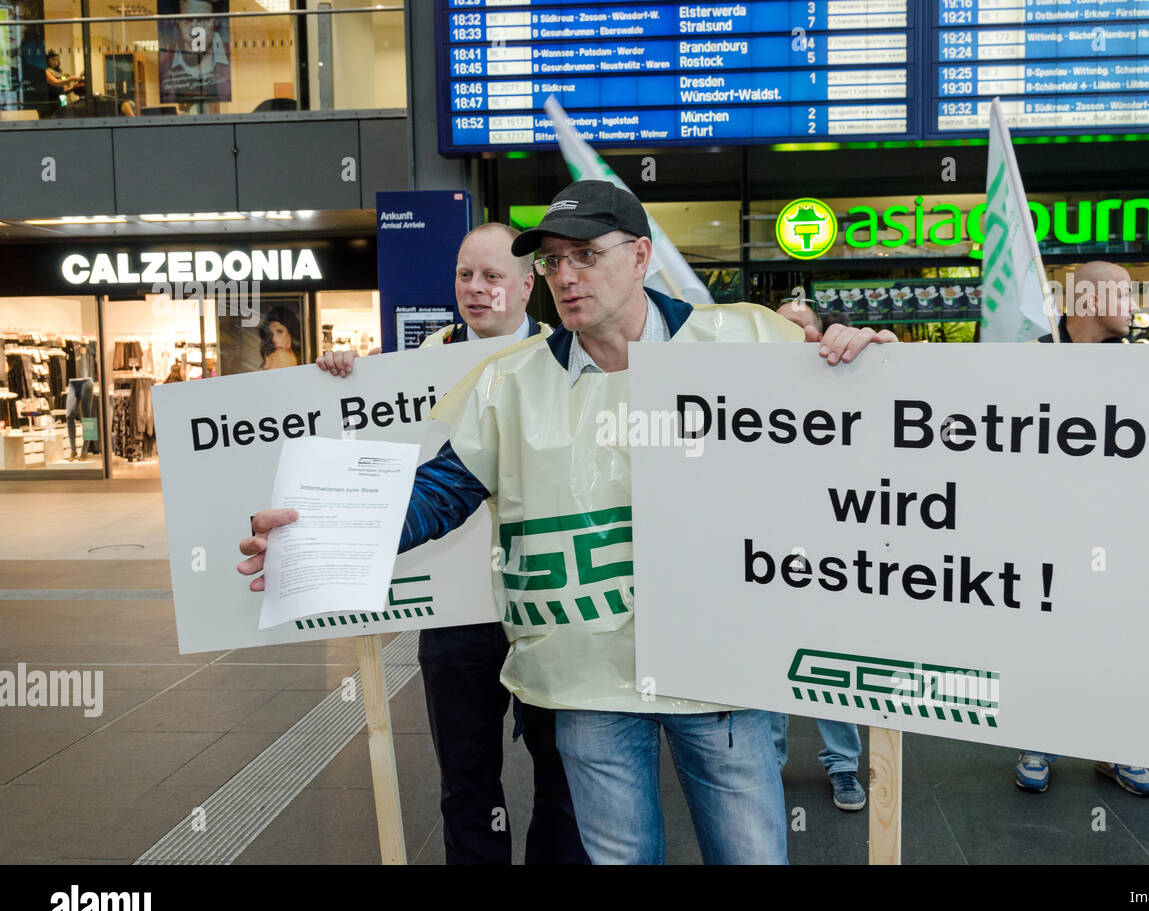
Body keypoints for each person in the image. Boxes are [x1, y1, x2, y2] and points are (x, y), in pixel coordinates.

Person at [241, 180, 894, 864]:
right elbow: (438, 492)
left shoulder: (741, 340)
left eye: (584, 254)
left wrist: (867, 363)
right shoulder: (508, 385)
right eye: (553, 260)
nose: (566, 276)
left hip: (720, 672)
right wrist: (312, 530)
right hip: (588, 682)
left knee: (751, 855)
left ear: (640, 257)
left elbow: (856, 434)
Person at [321, 223, 584, 865]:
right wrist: (343, 378)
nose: (476, 289)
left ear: (529, 286)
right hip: (456, 613)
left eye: (493, 276)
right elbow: (370, 450)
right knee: (467, 785)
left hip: (550, 608)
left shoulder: (574, 359)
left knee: (568, 783)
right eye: (466, 274)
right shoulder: (414, 367)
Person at [1016, 261, 1149, 797]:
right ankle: (1039, 739)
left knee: (1117, 641)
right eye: (1125, 295)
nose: (1135, 307)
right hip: (1047, 530)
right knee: (1049, 638)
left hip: (1117, 532)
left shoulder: (1142, 371)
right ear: (1092, 301)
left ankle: (1117, 745)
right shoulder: (1033, 359)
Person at [771, 295, 868, 812]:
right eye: (779, 327)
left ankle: (844, 767)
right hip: (768, 561)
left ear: (822, 333)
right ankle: (769, 765)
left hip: (829, 562)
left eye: (802, 326)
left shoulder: (843, 380)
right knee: (768, 668)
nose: (793, 336)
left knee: (832, 672)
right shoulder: (747, 389)